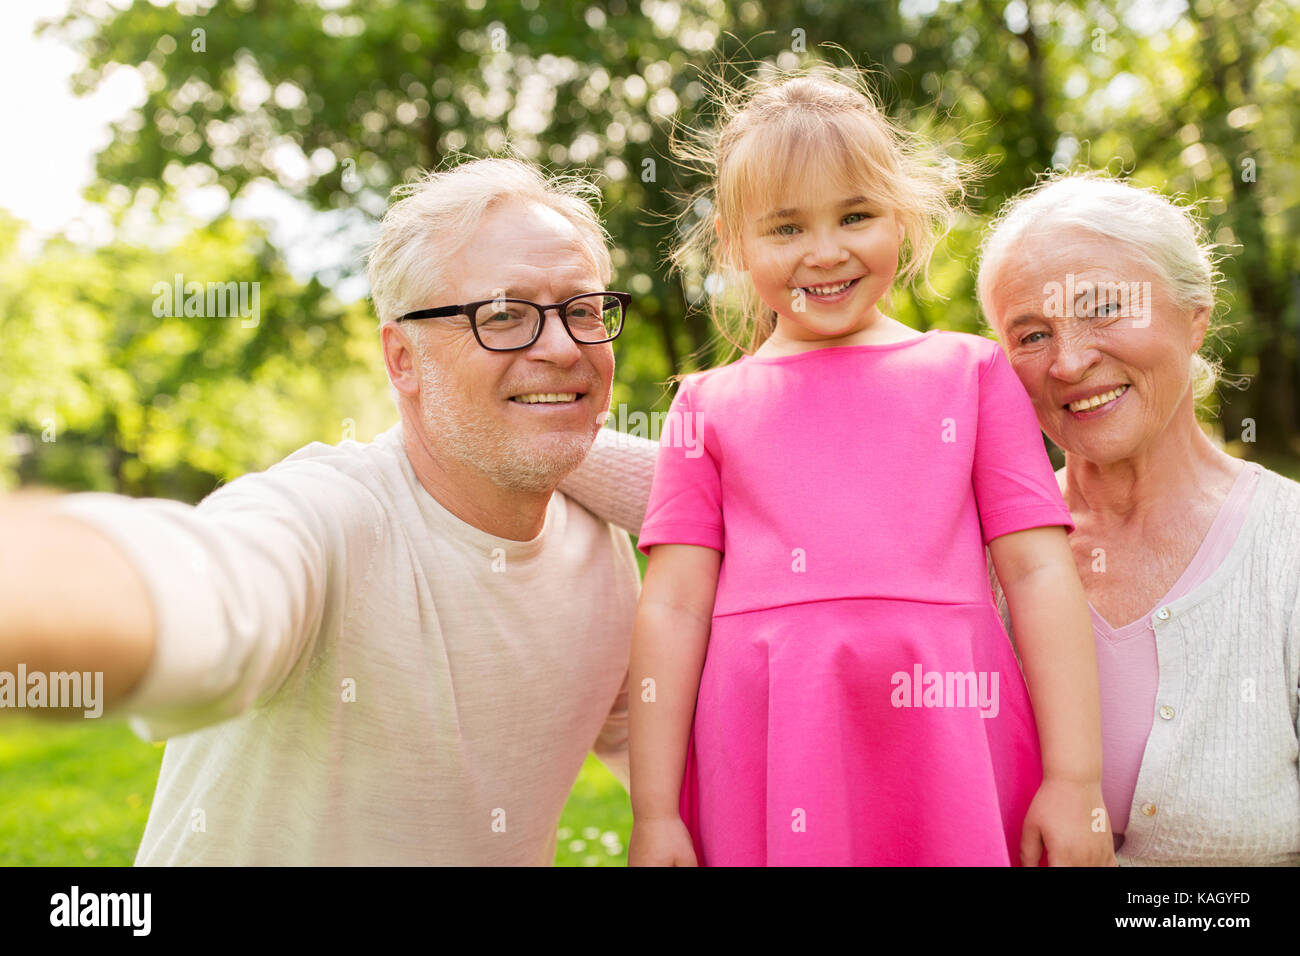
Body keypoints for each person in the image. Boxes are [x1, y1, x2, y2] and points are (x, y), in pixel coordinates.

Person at [0, 156, 654, 865]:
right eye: (502, 315)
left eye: (584, 311)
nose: (562, 347)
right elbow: (208, 591)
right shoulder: (334, 517)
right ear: (402, 358)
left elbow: (670, 750)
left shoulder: (599, 550)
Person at [611, 69, 1113, 866]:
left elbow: (1040, 575)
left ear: (902, 219)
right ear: (735, 245)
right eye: (786, 228)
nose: (826, 252)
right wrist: (655, 814)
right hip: (773, 742)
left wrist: (1075, 778)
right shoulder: (706, 405)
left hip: (950, 728)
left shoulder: (971, 375)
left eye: (855, 215)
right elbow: (671, 611)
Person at [977, 173, 1300, 865]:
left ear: (1195, 317)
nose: (1068, 361)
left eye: (1102, 309)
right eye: (1032, 335)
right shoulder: (978, 563)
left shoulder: (1288, 550)